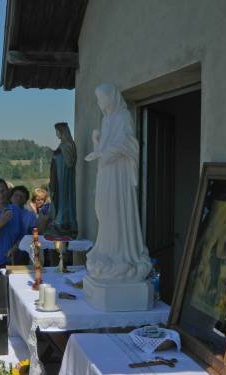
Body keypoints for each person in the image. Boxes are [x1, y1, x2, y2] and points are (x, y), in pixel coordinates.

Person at [84, 83, 151, 282]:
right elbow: (104, 149)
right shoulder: (106, 120)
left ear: (112, 97)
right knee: (103, 210)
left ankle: (120, 254)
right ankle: (106, 251)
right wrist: (97, 142)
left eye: (102, 98)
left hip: (118, 176)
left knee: (114, 210)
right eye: (98, 99)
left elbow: (128, 144)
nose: (100, 103)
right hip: (106, 173)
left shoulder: (123, 117)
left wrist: (105, 152)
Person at [49, 122, 78, 236]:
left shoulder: (68, 145)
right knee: (59, 198)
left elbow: (69, 162)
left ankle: (64, 221)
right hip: (59, 176)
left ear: (62, 132)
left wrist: (55, 155)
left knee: (64, 199)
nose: (56, 134)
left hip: (64, 178)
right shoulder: (63, 145)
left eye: (57, 132)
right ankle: (59, 221)